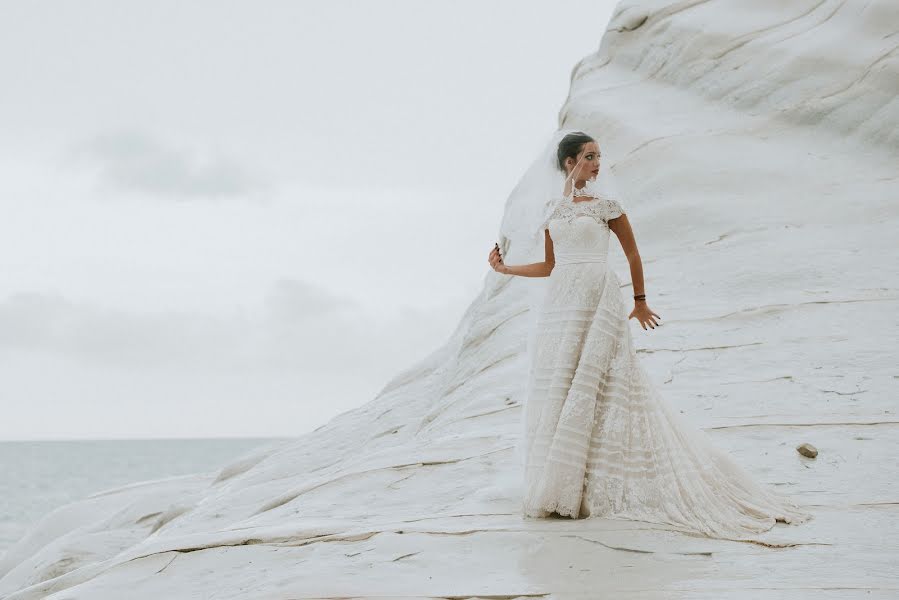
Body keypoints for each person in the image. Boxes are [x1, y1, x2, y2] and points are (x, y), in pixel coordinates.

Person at [487, 128, 813, 540]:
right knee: (562, 386)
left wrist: (639, 300)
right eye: (589, 156)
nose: (597, 163)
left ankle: (599, 486)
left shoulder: (607, 206)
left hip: (598, 295)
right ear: (569, 162)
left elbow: (632, 253)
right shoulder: (554, 210)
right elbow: (551, 265)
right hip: (562, 304)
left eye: (599, 156)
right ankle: (563, 484)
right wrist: (506, 269)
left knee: (601, 383)